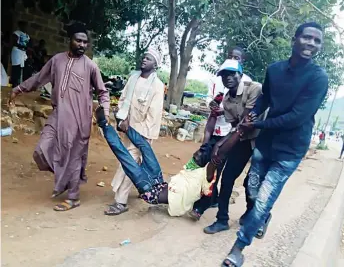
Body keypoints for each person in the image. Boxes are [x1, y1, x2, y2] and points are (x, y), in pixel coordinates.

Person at [221, 22, 328, 267]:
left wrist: (256, 125)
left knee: (262, 200)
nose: (311, 43)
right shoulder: (275, 70)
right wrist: (253, 114)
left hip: (291, 149)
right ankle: (263, 217)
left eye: (317, 41)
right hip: (266, 144)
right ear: (295, 39)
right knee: (252, 190)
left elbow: (297, 117)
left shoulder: (319, 78)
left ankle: (238, 249)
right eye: (307, 37)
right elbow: (264, 100)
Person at [8, 22, 110, 211]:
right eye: (78, 41)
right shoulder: (57, 60)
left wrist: (105, 111)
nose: (82, 45)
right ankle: (65, 177)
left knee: (73, 157)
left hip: (80, 120)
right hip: (58, 115)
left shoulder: (91, 66)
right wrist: (19, 89)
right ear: (69, 40)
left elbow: (103, 92)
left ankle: (73, 197)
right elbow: (39, 78)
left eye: (85, 42)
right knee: (41, 150)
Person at [96, 106, 216, 216]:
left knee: (125, 157)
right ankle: (123, 126)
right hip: (158, 180)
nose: (195, 155)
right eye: (196, 153)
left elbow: (218, 157)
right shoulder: (192, 166)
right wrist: (213, 115)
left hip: (150, 192)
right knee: (145, 146)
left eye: (198, 155)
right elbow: (207, 136)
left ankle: (104, 125)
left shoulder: (207, 176)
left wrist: (235, 131)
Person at [105, 48, 164, 216]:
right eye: (144, 57)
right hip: (126, 128)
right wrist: (121, 118)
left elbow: (153, 115)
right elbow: (123, 100)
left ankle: (120, 201)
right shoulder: (133, 78)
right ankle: (143, 187)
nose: (144, 60)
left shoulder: (158, 86)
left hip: (142, 134)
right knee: (134, 163)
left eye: (149, 58)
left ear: (155, 65)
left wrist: (140, 137)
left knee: (128, 163)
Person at [194, 47, 253, 214]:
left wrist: (226, 113)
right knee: (210, 165)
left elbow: (243, 115)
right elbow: (210, 100)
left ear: (242, 62)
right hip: (216, 128)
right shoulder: (216, 79)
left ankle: (206, 203)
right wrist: (212, 105)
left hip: (235, 134)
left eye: (237, 57)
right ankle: (212, 198)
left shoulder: (247, 82)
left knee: (219, 167)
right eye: (230, 56)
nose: (233, 59)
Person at [10, 21, 30, 87]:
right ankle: (14, 83)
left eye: (26, 26)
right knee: (16, 67)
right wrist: (23, 47)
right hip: (17, 51)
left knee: (23, 67)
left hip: (23, 53)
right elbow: (14, 43)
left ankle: (20, 83)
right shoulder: (16, 33)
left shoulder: (27, 36)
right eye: (24, 25)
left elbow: (27, 44)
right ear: (20, 26)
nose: (25, 27)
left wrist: (26, 48)